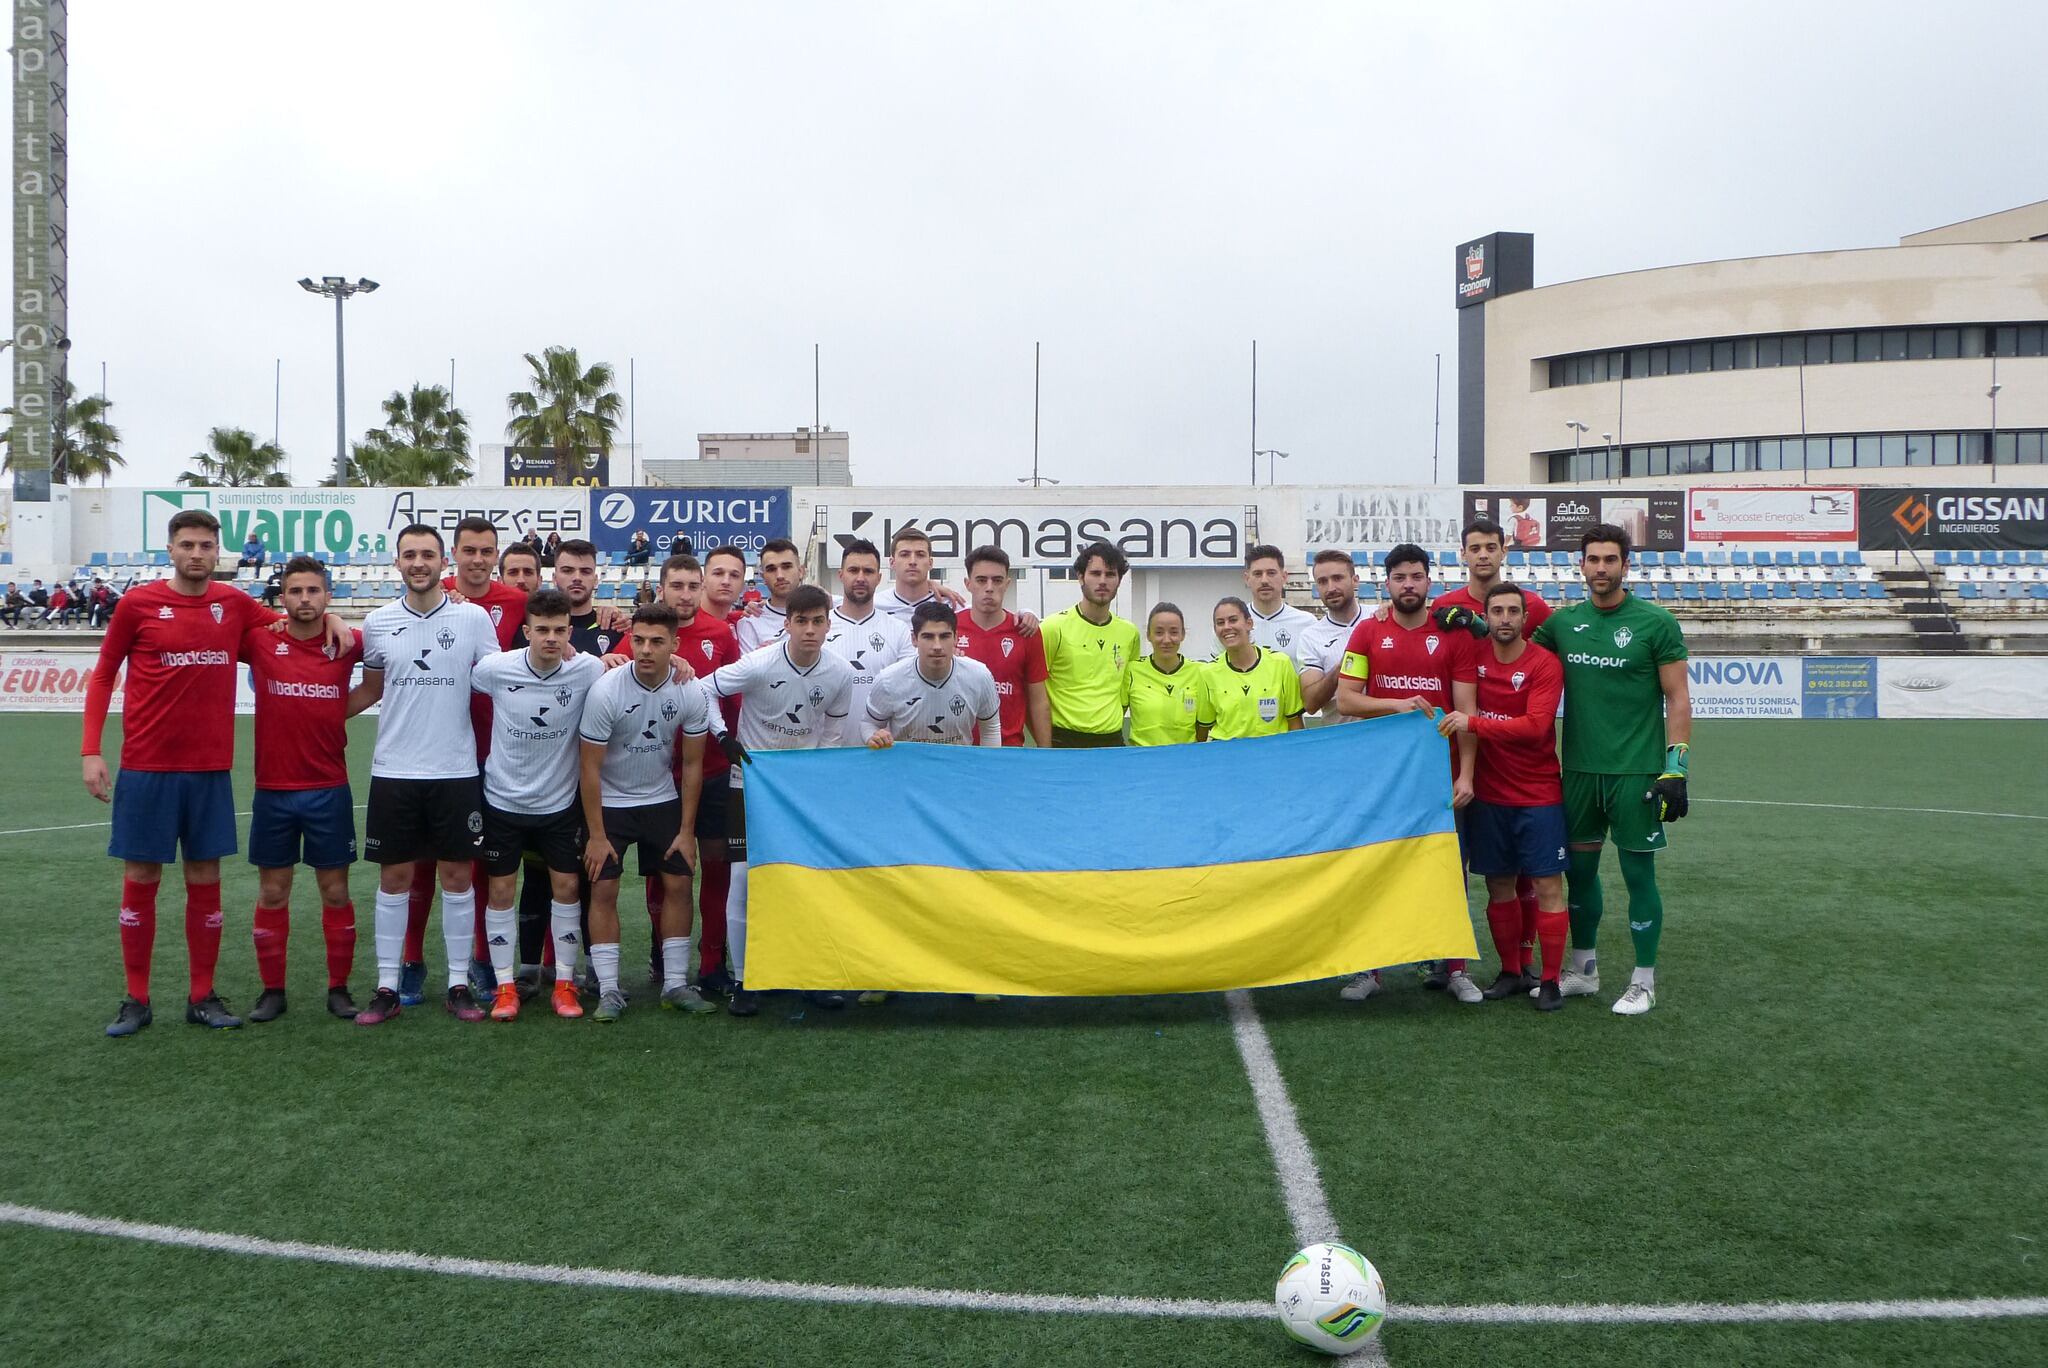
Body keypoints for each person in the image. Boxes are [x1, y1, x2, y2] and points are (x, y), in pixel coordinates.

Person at [83, 508, 345, 1037]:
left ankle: (201, 996)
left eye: (206, 545)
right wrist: (91, 751)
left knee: (206, 881)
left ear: (217, 551)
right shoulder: (138, 604)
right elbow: (104, 674)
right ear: (171, 549)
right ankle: (136, 998)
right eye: (187, 545)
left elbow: (294, 619)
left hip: (208, 772)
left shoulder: (234, 603)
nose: (197, 554)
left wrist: (335, 618)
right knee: (140, 880)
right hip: (146, 768)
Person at [1530, 523, 1691, 1016]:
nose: (1601, 568)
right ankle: (1584, 970)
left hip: (1636, 773)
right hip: (1577, 771)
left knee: (1637, 874)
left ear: (1625, 565)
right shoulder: (1562, 624)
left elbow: (1678, 696)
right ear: (1580, 565)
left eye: (1610, 560)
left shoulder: (1655, 622)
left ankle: (1644, 980)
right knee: (1578, 874)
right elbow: (1507, 644)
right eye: (1593, 559)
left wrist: (1676, 768)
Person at [346, 523, 501, 1027]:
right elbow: (369, 691)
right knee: (395, 879)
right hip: (395, 770)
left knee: (458, 878)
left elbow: (504, 679)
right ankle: (387, 985)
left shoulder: (474, 619)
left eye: (428, 555)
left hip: (455, 770)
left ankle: (459, 983)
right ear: (397, 563)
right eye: (409, 555)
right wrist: (311, 719)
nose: (419, 563)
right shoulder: (377, 622)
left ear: (443, 563)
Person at [1334, 544, 1480, 1004]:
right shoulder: (1367, 634)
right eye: (1400, 578)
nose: (1409, 585)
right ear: (1387, 582)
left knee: (1450, 871)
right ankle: (1369, 971)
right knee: (1373, 867)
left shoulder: (1452, 635)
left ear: (1429, 580)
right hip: (1381, 778)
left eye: (1416, 576)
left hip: (1442, 776)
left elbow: (1466, 711)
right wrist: (1396, 705)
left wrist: (1467, 776)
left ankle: (1455, 967)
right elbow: (1346, 700)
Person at [705, 583, 854, 1017]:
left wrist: (815, 774)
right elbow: (703, 689)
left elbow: (833, 731)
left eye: (818, 621)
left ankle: (809, 975)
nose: (810, 629)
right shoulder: (759, 663)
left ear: (829, 623)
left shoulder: (838, 672)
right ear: (786, 623)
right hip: (747, 784)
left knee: (804, 880)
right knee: (744, 880)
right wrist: (723, 737)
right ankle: (744, 980)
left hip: (799, 792)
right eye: (801, 621)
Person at [400, 517, 531, 1003]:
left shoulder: (516, 602)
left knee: (477, 863)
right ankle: (412, 961)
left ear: (495, 555)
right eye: (469, 550)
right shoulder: (435, 595)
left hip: (494, 751)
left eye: (486, 550)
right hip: (433, 750)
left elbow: (560, 625)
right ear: (453, 554)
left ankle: (480, 959)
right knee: (420, 863)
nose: (478, 558)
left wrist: (612, 617)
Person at [470, 587, 605, 1022]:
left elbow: (628, 671)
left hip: (558, 805)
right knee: (501, 892)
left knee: (567, 890)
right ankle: (505, 987)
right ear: (526, 631)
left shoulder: (586, 670)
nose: (551, 638)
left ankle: (564, 985)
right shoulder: (494, 669)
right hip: (502, 802)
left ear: (570, 631)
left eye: (559, 630)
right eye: (542, 629)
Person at [240, 556, 365, 1023]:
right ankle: (272, 991)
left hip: (328, 788)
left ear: (328, 595)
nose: (305, 599)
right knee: (273, 893)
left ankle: (339, 989)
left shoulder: (349, 643)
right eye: (296, 592)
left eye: (314, 591)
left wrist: (334, 713)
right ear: (283, 597)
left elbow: (376, 683)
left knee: (335, 892)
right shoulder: (260, 640)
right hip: (273, 791)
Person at [1436, 583, 1569, 1011]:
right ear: (1486, 616)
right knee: (1499, 885)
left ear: (1526, 617)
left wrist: (1473, 725)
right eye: (1498, 611)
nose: (1506, 618)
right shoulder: (1473, 660)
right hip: (1490, 795)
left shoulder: (1545, 664)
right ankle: (1511, 971)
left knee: (1548, 884)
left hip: (1538, 793)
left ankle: (1549, 980)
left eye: (1514, 611)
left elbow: (1534, 727)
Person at [639, 553, 744, 995]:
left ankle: (711, 961)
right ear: (661, 588)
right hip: (660, 775)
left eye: (691, 586)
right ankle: (664, 956)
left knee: (717, 866)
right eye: (675, 585)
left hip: (715, 773)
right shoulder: (641, 635)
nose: (684, 594)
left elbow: (736, 702)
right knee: (664, 872)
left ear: (701, 589)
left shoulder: (721, 633)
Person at [1039, 541, 1140, 747]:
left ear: (1119, 580)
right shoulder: (1052, 627)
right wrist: (1045, 746)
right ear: (1080, 577)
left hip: (1111, 741)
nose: (1102, 581)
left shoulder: (1130, 633)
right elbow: (1035, 690)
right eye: (1095, 573)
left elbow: (1124, 688)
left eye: (1110, 574)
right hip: (1063, 740)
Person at [863, 602, 1002, 750]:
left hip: (958, 770)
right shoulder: (888, 680)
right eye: (928, 637)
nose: (937, 646)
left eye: (944, 636)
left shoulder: (979, 676)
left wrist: (990, 769)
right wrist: (874, 737)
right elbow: (868, 724)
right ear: (914, 639)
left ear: (956, 638)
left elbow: (991, 729)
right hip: (906, 770)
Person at [954, 545, 1050, 748]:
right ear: (968, 583)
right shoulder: (949, 630)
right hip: (959, 749)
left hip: (1009, 750)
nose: (989, 587)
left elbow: (1038, 700)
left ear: (1007, 584)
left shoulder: (1025, 631)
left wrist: (1046, 752)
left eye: (997, 580)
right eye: (981, 580)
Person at [822, 538, 913, 728]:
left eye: (868, 571)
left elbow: (909, 688)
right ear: (841, 575)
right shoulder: (818, 627)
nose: (861, 578)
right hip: (828, 749)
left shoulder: (898, 630)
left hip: (880, 749)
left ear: (879, 578)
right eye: (853, 570)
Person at [1198, 597, 1304, 740]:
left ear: (1249, 623)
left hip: (1272, 755)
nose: (1227, 627)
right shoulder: (1207, 673)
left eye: (1233, 620)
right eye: (1220, 623)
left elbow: (1294, 722)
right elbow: (1203, 729)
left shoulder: (1281, 664)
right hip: (1227, 756)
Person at [1292, 550, 1365, 722]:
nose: (1331, 588)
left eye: (1338, 578)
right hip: (1341, 740)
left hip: (1387, 734)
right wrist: (1343, 667)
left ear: (1355, 581)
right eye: (1323, 582)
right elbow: (1310, 704)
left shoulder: (1379, 616)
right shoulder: (1311, 636)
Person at [1122, 603, 1199, 747]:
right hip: (1144, 761)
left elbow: (1204, 727)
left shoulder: (1199, 672)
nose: (1167, 639)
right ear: (1148, 635)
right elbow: (1116, 717)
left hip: (1186, 761)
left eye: (1174, 632)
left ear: (1183, 635)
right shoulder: (1132, 671)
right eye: (1159, 632)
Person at [733, 537, 804, 652]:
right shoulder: (750, 622)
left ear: (801, 572)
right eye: (771, 569)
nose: (780, 575)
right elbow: (750, 669)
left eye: (786, 567)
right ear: (763, 578)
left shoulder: (824, 614)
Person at [1243, 545, 1315, 656]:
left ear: (1284, 577)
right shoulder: (1233, 624)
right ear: (1247, 579)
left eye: (1271, 573)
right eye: (1258, 574)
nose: (1264, 580)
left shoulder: (1307, 623)